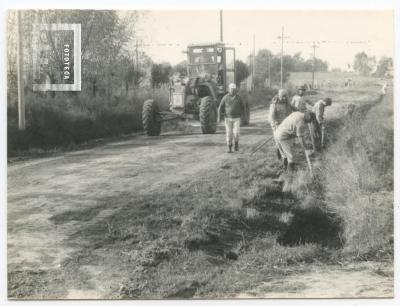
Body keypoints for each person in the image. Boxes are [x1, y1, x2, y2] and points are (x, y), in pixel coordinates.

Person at [218, 83, 245, 153]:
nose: (232, 90)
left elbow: (243, 107)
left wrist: (242, 117)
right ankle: (229, 147)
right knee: (229, 133)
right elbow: (220, 107)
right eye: (231, 89)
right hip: (227, 118)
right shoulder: (225, 97)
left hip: (237, 118)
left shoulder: (239, 98)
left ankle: (236, 144)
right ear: (229, 89)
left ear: (235, 89)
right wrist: (219, 117)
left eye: (233, 89)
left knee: (236, 133)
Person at [268, 88, 292, 162]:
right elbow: (271, 117)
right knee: (278, 141)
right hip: (277, 125)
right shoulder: (274, 104)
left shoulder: (287, 104)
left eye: (286, 96)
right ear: (279, 96)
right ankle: (281, 155)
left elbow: (290, 113)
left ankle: (285, 156)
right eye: (283, 96)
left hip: (285, 126)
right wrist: (274, 126)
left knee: (285, 141)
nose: (284, 98)